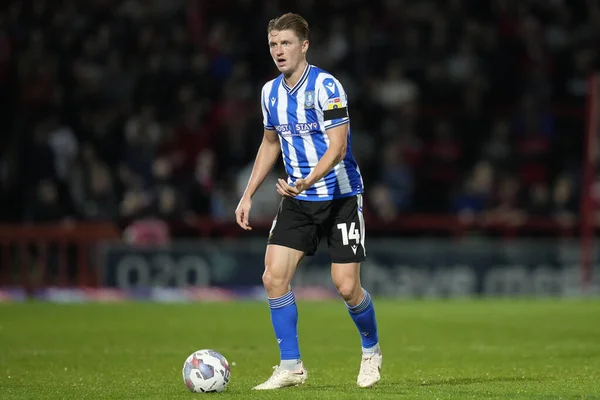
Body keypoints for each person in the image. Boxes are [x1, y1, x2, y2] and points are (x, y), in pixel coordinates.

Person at [235, 13, 382, 390]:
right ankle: (291, 366)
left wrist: (307, 180)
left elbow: (339, 146)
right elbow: (270, 142)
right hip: (298, 199)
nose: (278, 51)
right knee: (273, 277)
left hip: (340, 196)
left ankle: (371, 351)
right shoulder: (269, 93)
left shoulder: (326, 87)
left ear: (304, 45)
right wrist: (248, 194)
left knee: (347, 287)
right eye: (273, 44)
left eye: (285, 43)